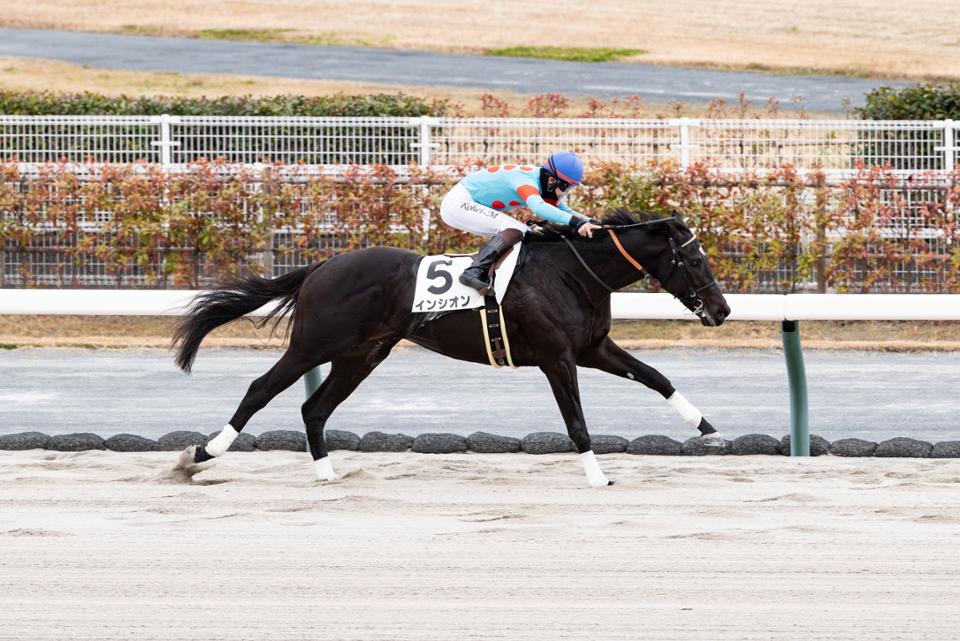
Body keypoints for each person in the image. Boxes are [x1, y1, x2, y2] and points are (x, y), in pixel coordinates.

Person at [440, 151, 602, 295]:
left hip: (466, 203)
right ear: (552, 180)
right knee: (516, 229)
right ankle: (473, 272)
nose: (566, 193)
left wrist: (592, 222)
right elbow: (538, 208)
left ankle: (488, 271)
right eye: (566, 188)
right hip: (457, 204)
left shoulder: (543, 182)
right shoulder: (526, 180)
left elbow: (565, 211)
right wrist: (576, 223)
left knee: (524, 231)